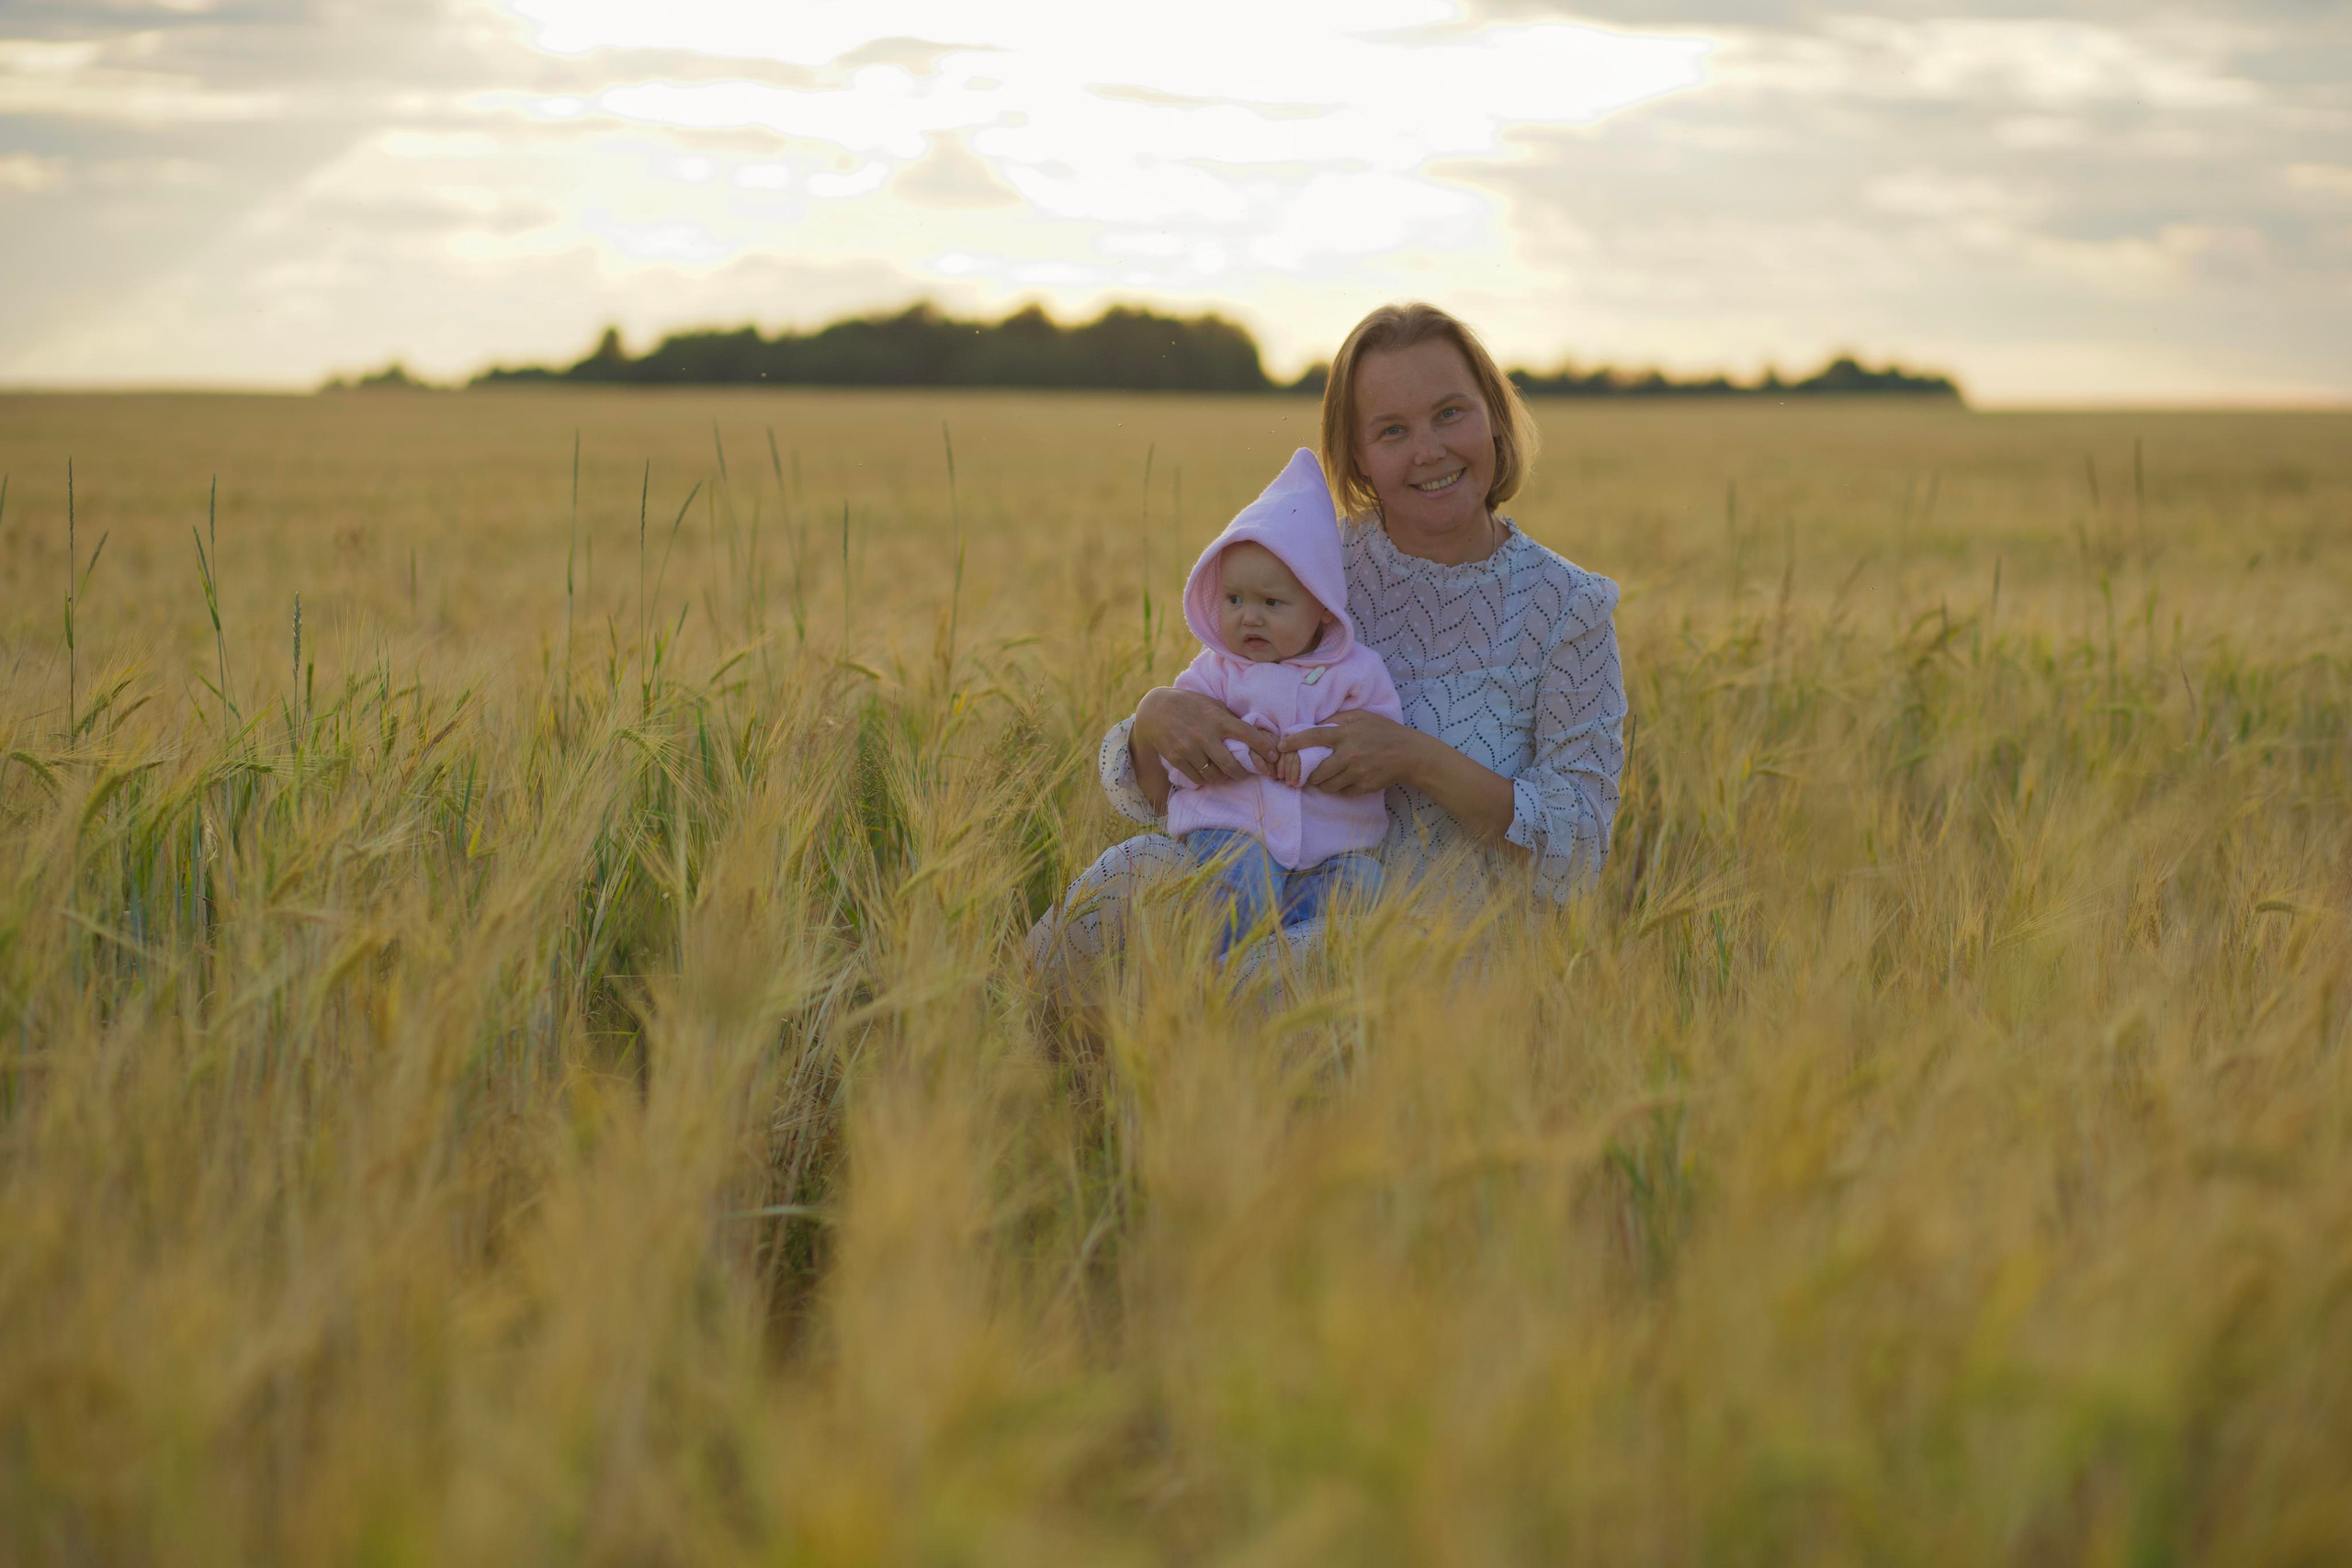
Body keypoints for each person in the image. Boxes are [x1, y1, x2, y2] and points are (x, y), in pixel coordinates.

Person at [1027, 300, 1626, 979]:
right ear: (1360, 456)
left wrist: (1416, 759)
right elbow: (1173, 777)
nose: (1429, 449)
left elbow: (1579, 850)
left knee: (1269, 977)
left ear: (1493, 416)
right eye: (1393, 429)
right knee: (1131, 875)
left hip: (1443, 951)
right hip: (1262, 891)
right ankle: (998, 1044)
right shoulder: (1308, 567)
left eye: (1450, 412)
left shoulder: (1568, 608)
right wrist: (1155, 721)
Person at [1162, 447, 1405, 958]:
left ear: (1320, 607)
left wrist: (1313, 758)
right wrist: (1239, 750)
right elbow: (1178, 748)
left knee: (1366, 887)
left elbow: (1382, 741)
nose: (1249, 618)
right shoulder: (1215, 671)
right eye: (1234, 600)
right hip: (1232, 831)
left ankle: (1285, 958)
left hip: (1327, 850)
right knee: (1244, 882)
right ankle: (1217, 982)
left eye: (1272, 604)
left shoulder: (1355, 673)